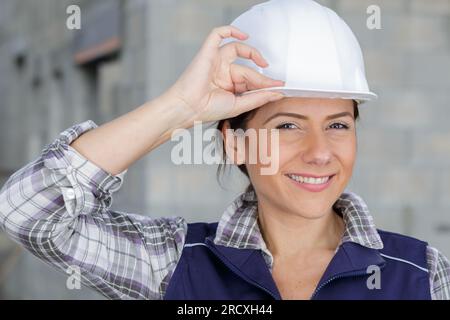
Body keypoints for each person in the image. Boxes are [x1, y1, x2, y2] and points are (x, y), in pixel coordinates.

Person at [1, 0, 449, 300]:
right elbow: (29, 210)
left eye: (338, 125)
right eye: (288, 125)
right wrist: (180, 108)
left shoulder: (423, 276)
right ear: (236, 143)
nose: (319, 152)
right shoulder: (174, 263)